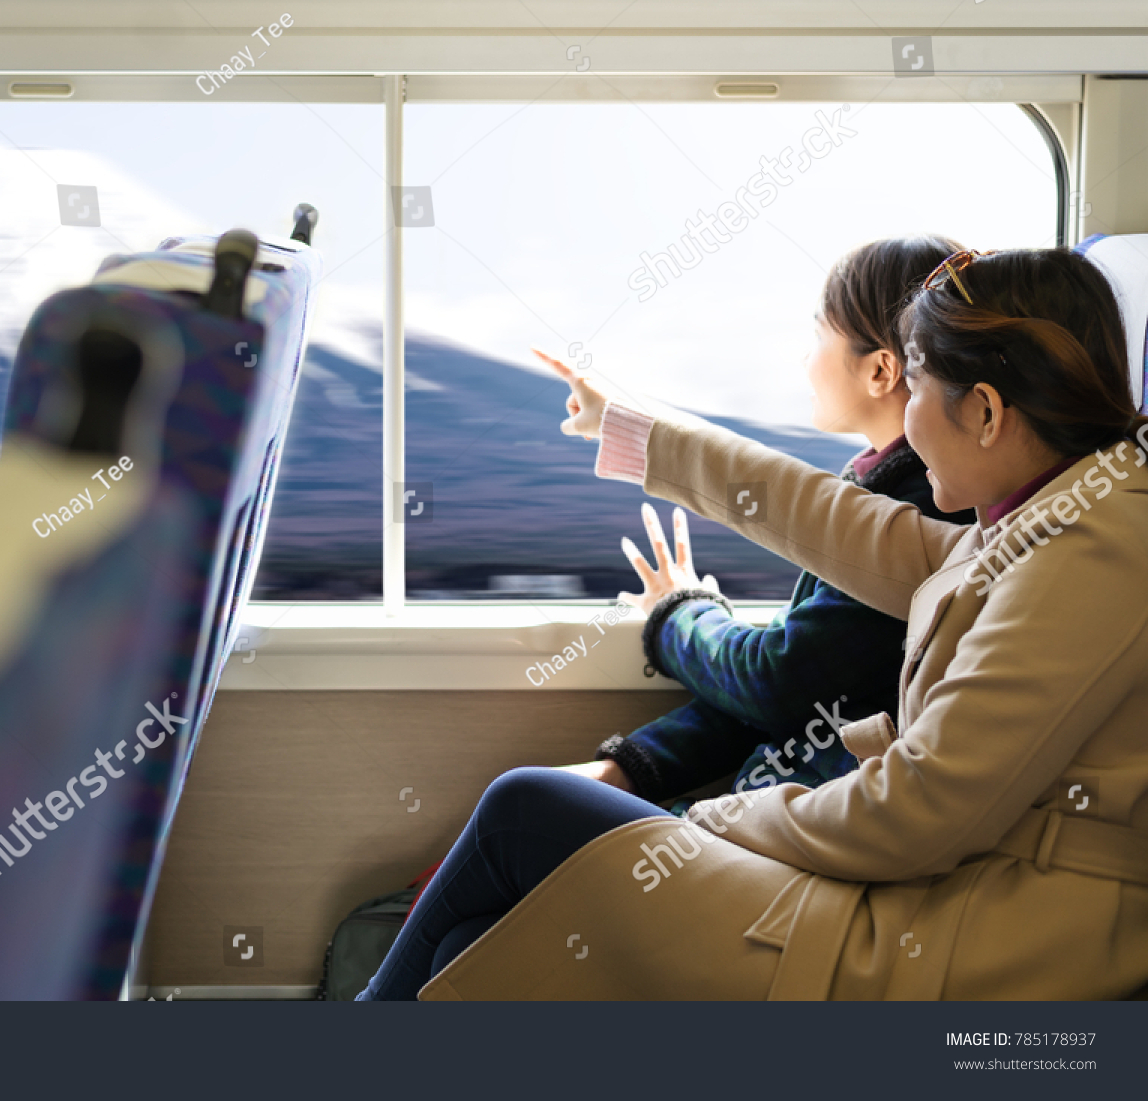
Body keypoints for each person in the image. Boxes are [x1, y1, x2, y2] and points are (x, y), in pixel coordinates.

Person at [359, 245, 1148, 1001]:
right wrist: (639, 433)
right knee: (472, 943)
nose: (908, 420)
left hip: (972, 941)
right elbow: (840, 520)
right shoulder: (1050, 516)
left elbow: (916, 815)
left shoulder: (1093, 549)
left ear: (983, 411)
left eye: (916, 389)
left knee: (524, 808)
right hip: (941, 893)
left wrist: (712, 817)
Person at [557, 237, 972, 810]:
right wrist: (627, 768)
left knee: (515, 812)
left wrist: (678, 613)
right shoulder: (882, 487)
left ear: (880, 369)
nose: (805, 359)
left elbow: (779, 683)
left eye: (818, 335)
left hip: (814, 811)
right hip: (781, 804)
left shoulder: (924, 506)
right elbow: (796, 695)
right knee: (528, 812)